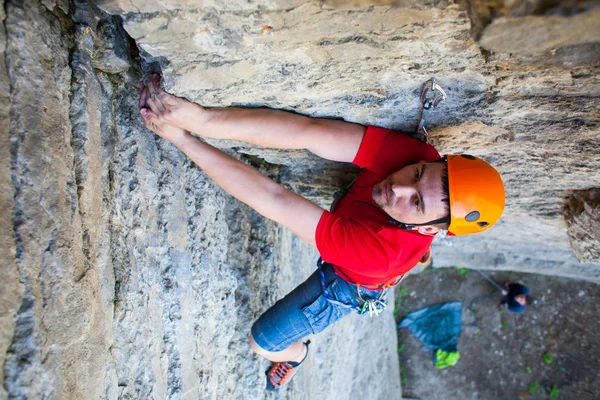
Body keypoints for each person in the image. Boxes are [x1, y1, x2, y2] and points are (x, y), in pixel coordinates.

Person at [138, 73, 505, 390]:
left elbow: (275, 199)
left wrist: (184, 139)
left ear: (429, 229)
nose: (399, 187)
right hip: (354, 237)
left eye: (417, 204)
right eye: (417, 176)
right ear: (429, 163)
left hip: (347, 284)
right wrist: (201, 119)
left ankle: (295, 355)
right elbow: (308, 133)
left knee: (263, 341)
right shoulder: (414, 155)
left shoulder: (378, 254)